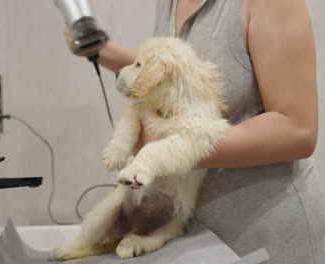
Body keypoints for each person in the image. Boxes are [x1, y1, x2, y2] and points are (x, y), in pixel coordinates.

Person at [64, 0, 325, 263]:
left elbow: (296, 130)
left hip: (261, 234)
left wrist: (162, 150)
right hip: (188, 236)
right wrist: (103, 50)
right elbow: (175, 72)